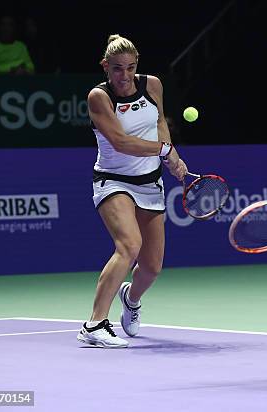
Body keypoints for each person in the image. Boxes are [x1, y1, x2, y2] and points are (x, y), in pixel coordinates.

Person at [76, 34, 187, 348]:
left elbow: (159, 123)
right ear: (105, 67)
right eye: (116, 69)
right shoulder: (99, 97)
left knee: (152, 267)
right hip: (113, 181)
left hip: (149, 183)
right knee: (129, 245)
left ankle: (131, 297)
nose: (124, 76)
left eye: (130, 68)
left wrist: (170, 152)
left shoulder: (152, 85)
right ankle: (94, 323)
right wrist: (164, 151)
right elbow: (121, 143)